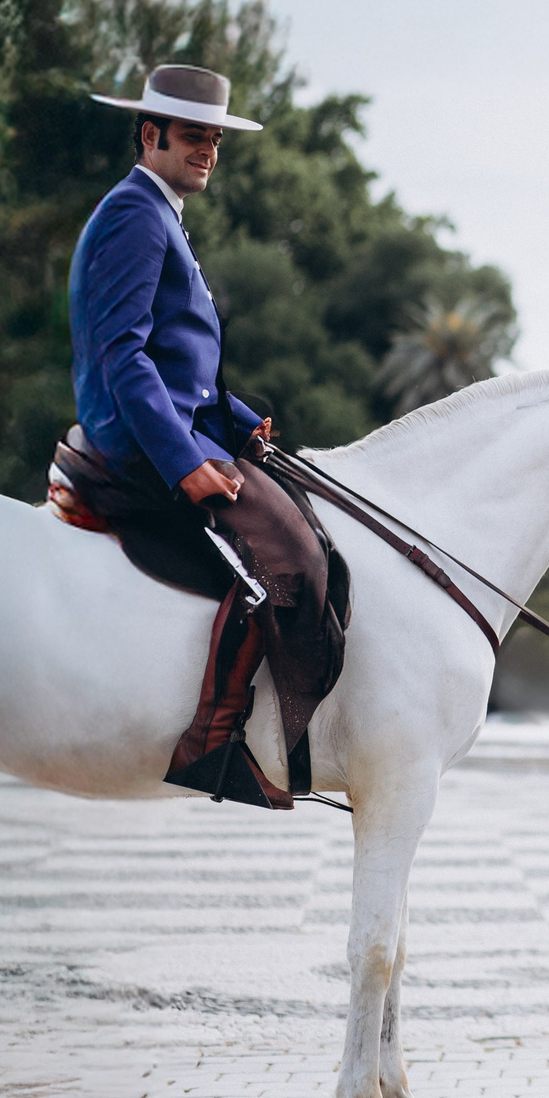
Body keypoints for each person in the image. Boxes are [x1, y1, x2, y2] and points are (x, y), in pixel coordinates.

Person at [65, 64, 341, 805]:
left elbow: (180, 362)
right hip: (143, 442)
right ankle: (212, 740)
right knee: (289, 554)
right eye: (194, 138)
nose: (208, 152)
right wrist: (186, 461)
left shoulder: (158, 215)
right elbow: (124, 355)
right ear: (150, 134)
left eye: (215, 140)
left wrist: (241, 423)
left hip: (182, 425)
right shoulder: (135, 215)